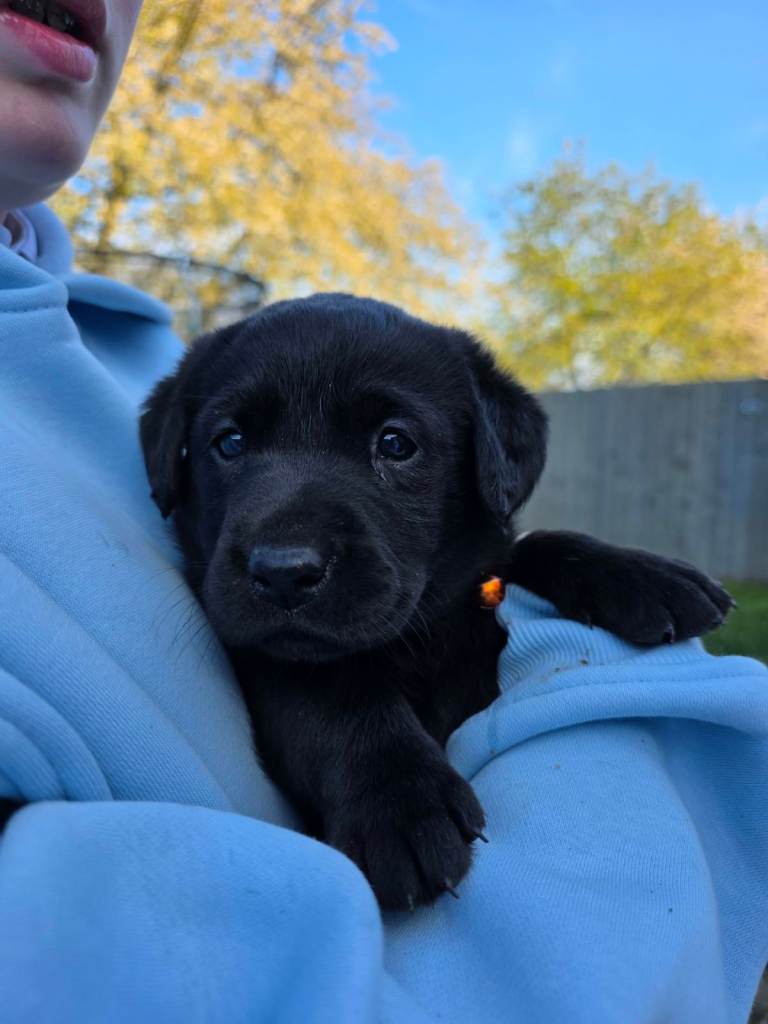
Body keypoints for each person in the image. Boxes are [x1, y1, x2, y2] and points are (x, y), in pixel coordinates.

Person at [1, 4, 767, 1022]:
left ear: (489, 463)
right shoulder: (151, 399)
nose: (284, 538)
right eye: (232, 445)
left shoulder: (124, 346)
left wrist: (553, 570)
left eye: (394, 445)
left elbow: (487, 582)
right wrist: (369, 745)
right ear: (174, 459)